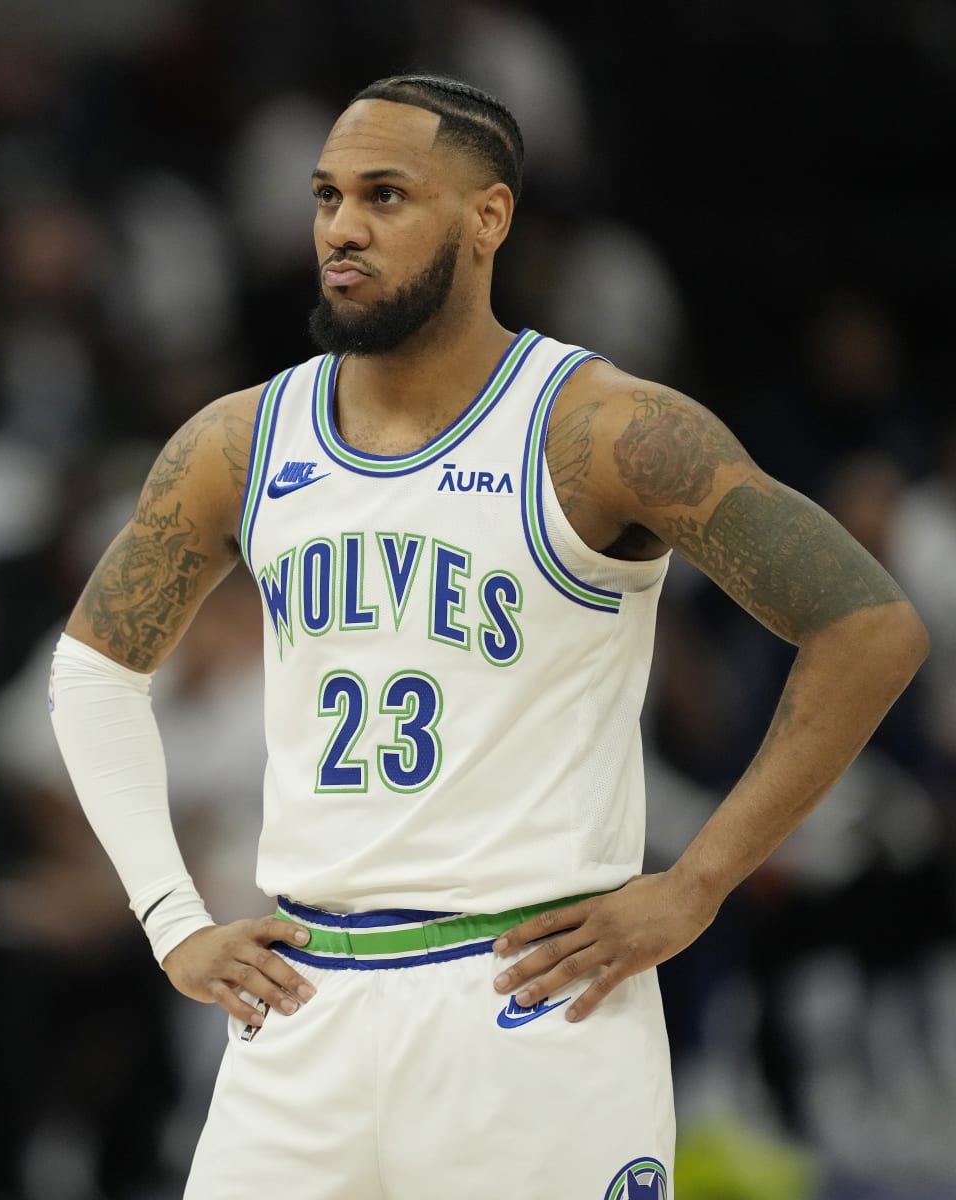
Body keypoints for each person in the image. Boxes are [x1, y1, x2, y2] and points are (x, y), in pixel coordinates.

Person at [46, 73, 927, 1196]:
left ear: (488, 217)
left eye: (385, 195)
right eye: (326, 196)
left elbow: (870, 627)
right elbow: (92, 672)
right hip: (304, 1001)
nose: (342, 228)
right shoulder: (240, 441)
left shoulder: (604, 430)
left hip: (532, 998)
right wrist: (172, 918)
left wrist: (698, 883)